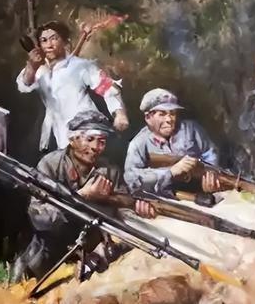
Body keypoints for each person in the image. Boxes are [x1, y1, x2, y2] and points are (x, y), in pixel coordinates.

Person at [12, 110, 154, 281]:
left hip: (94, 258)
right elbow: (40, 218)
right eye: (90, 139)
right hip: (49, 257)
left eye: (101, 141)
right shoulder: (51, 165)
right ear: (72, 140)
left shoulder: (110, 171)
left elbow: (124, 215)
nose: (95, 147)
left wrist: (135, 212)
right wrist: (82, 196)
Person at [15, 20, 129, 151]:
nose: (49, 45)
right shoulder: (39, 70)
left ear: (65, 41)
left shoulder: (80, 65)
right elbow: (24, 85)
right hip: (60, 135)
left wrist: (120, 113)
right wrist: (32, 66)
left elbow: (107, 86)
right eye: (44, 40)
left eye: (54, 39)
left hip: (87, 129)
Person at [124, 88, 222, 195]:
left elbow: (210, 152)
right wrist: (170, 172)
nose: (169, 119)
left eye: (172, 113)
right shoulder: (138, 143)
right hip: (166, 198)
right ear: (148, 118)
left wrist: (210, 174)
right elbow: (131, 178)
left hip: (199, 191)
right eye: (162, 114)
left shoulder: (191, 129)